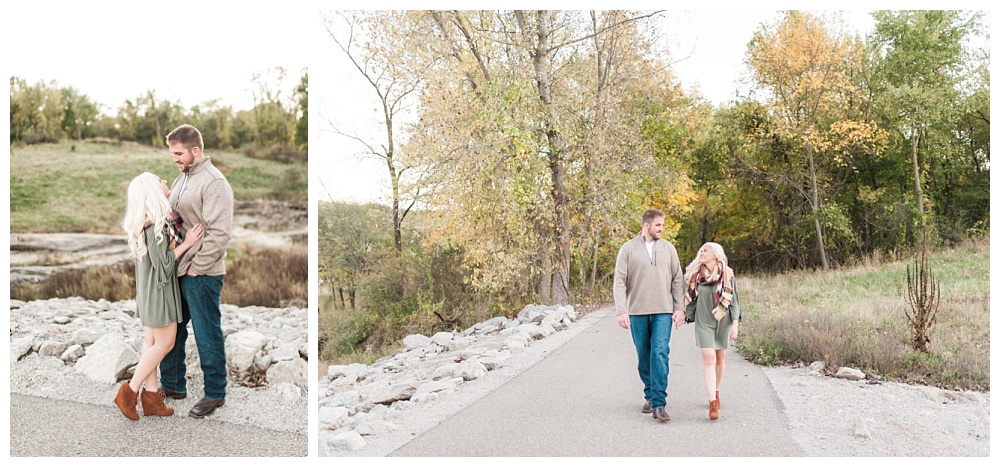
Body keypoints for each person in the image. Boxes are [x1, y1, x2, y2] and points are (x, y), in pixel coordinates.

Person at [157, 124, 235, 418]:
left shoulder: (214, 183)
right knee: (173, 331)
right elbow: (180, 220)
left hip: (202, 273)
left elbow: (220, 233)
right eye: (172, 153)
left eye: (178, 153)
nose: (175, 158)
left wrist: (196, 269)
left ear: (195, 151)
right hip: (179, 268)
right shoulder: (183, 178)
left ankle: (215, 393)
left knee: (206, 333)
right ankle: (174, 384)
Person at [115, 172, 204, 420]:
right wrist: (187, 243)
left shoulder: (144, 223)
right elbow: (164, 265)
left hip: (148, 293)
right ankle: (129, 392)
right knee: (165, 344)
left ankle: (152, 398)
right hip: (160, 293)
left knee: (151, 344)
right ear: (153, 191)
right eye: (160, 181)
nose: (165, 182)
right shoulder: (156, 225)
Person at [613, 209, 686, 422]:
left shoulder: (668, 249)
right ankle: (650, 394)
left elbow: (677, 279)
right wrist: (621, 311)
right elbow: (619, 281)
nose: (661, 229)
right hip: (637, 311)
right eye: (658, 225)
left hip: (664, 310)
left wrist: (679, 308)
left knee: (660, 352)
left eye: (662, 225)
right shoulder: (627, 249)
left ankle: (659, 403)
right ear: (647, 226)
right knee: (644, 357)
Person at [683, 242, 742, 421]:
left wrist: (735, 324)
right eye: (700, 250)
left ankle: (716, 390)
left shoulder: (728, 274)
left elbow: (735, 301)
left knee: (720, 359)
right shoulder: (695, 275)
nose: (701, 253)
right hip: (703, 321)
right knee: (709, 358)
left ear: (715, 255)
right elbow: (690, 299)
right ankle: (712, 402)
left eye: (705, 251)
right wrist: (682, 314)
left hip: (722, 321)